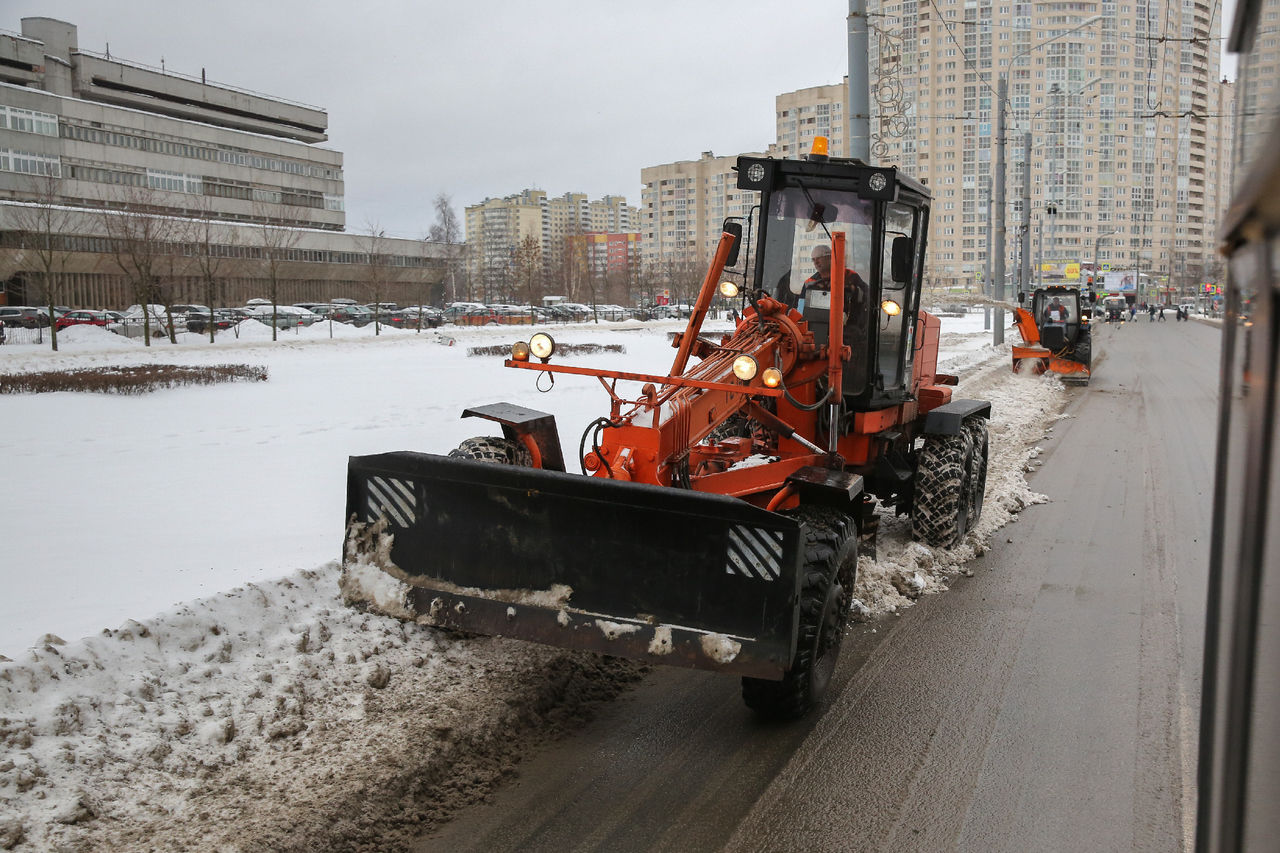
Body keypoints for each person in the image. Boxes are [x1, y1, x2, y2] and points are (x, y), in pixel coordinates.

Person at [776, 244, 869, 319]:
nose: (816, 262)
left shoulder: (850, 276)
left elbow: (867, 297)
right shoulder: (809, 283)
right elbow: (801, 308)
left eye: (819, 258)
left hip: (850, 324)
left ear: (829, 257)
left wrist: (852, 290)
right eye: (813, 260)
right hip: (817, 324)